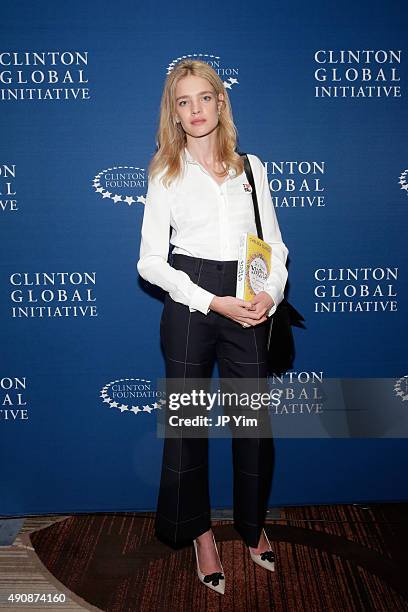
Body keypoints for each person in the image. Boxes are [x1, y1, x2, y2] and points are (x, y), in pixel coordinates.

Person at [137, 59, 289, 595]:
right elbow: (151, 262)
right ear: (174, 113)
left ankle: (252, 526)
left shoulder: (252, 168)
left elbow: (274, 244)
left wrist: (270, 292)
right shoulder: (165, 171)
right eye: (184, 101)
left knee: (253, 425)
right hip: (190, 299)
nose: (195, 110)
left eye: (205, 98)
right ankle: (200, 534)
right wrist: (211, 301)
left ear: (221, 103)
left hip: (248, 298)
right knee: (186, 429)